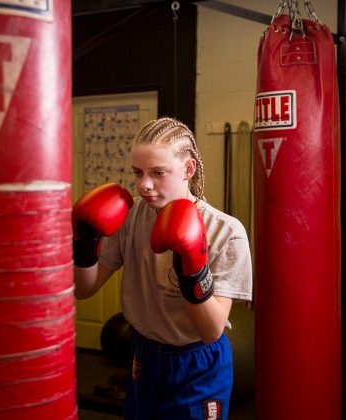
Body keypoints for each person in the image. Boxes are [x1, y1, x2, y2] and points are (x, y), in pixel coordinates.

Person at [73, 117, 252, 419]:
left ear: (188, 169)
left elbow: (210, 331)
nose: (144, 185)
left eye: (158, 173)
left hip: (198, 361)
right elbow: (84, 289)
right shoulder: (131, 218)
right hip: (145, 354)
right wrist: (85, 242)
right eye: (138, 173)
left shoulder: (226, 231)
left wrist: (192, 269)